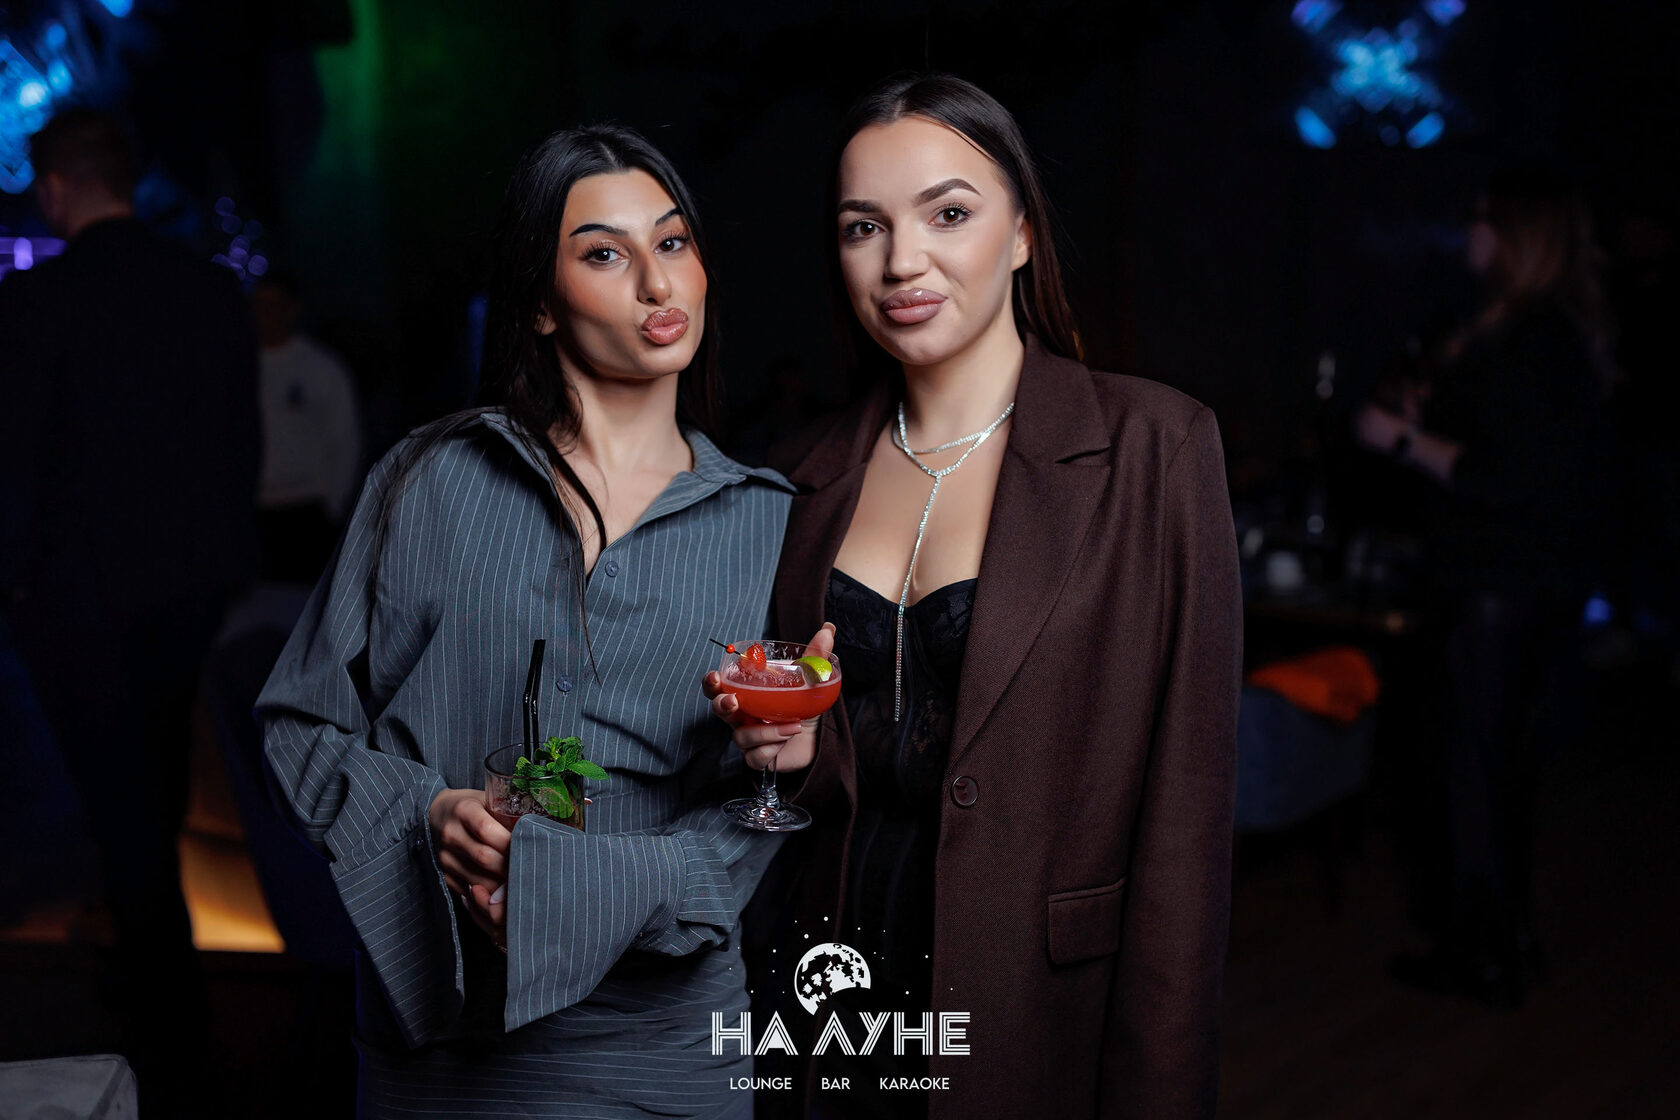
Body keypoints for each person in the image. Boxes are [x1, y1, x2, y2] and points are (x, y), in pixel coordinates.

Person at [705, 74, 1242, 1120]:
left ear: (1024, 233)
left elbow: (1186, 830)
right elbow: (801, 783)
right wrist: (785, 757)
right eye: (865, 227)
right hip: (829, 996)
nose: (902, 261)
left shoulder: (1156, 450)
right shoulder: (797, 477)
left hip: (1033, 1011)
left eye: (948, 214)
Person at [257, 124, 796, 1118]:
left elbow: (762, 814)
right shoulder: (427, 480)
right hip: (444, 1038)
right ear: (541, 303)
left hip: (660, 1041)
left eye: (672, 242)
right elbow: (299, 725)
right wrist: (425, 814)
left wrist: (601, 887)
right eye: (605, 254)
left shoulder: (770, 522)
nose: (657, 282)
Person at [0, 108, 260, 1114]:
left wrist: (17, 583)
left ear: (57, 185)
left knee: (123, 804)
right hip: (188, 587)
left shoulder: (39, 299)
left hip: (82, 600)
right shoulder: (207, 290)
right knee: (151, 784)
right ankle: (159, 994)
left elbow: (17, 463)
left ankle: (168, 1026)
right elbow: (238, 443)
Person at [1356, 171, 1616, 1006]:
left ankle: (1486, 955)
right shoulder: (1525, 330)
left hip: (1500, 585)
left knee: (1474, 773)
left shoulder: (1535, 338)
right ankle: (1502, 940)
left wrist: (1402, 440)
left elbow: (1510, 477)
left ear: (1519, 236)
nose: (1469, 230)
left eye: (1483, 219)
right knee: (1490, 771)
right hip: (1510, 581)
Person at [251, 270, 363, 583]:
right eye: (258, 305)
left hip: (307, 510)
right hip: (254, 512)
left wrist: (333, 503)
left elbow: (345, 437)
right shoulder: (240, 364)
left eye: (274, 305)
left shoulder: (319, 367)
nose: (265, 314)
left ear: (292, 309)